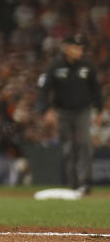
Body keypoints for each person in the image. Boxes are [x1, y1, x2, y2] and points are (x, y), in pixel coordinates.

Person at [38, 34, 103, 194]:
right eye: (75, 47)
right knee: (68, 147)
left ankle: (85, 183)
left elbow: (96, 90)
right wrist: (47, 110)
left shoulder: (87, 66)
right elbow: (44, 90)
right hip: (63, 111)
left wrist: (99, 110)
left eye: (80, 48)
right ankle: (73, 183)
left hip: (83, 110)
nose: (79, 51)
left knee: (84, 143)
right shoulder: (55, 66)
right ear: (67, 48)